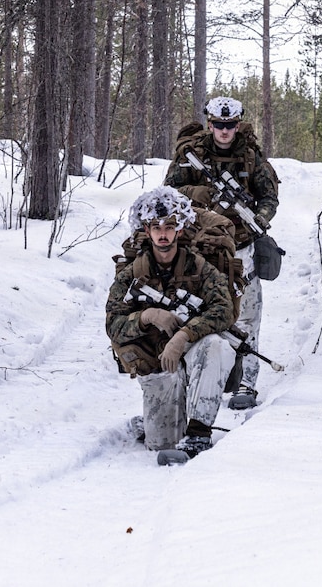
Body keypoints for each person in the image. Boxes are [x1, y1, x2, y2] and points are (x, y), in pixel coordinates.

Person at [164, 96, 279, 410]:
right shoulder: (190, 156)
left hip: (242, 248)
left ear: (237, 124)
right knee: (195, 314)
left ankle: (246, 383)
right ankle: (194, 379)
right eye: (218, 124)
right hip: (201, 249)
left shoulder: (251, 157)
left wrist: (260, 219)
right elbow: (169, 194)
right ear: (209, 123)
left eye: (230, 125)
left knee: (248, 317)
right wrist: (205, 194)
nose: (224, 130)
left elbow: (269, 196)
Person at [106, 187, 237, 460]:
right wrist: (147, 317)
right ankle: (152, 419)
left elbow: (224, 310)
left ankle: (199, 433)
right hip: (157, 365)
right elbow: (113, 324)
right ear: (147, 229)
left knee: (217, 346)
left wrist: (185, 336)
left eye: (170, 226)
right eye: (156, 227)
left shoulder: (199, 268)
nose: (163, 233)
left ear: (179, 230)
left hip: (191, 356)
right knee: (162, 445)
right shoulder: (132, 273)